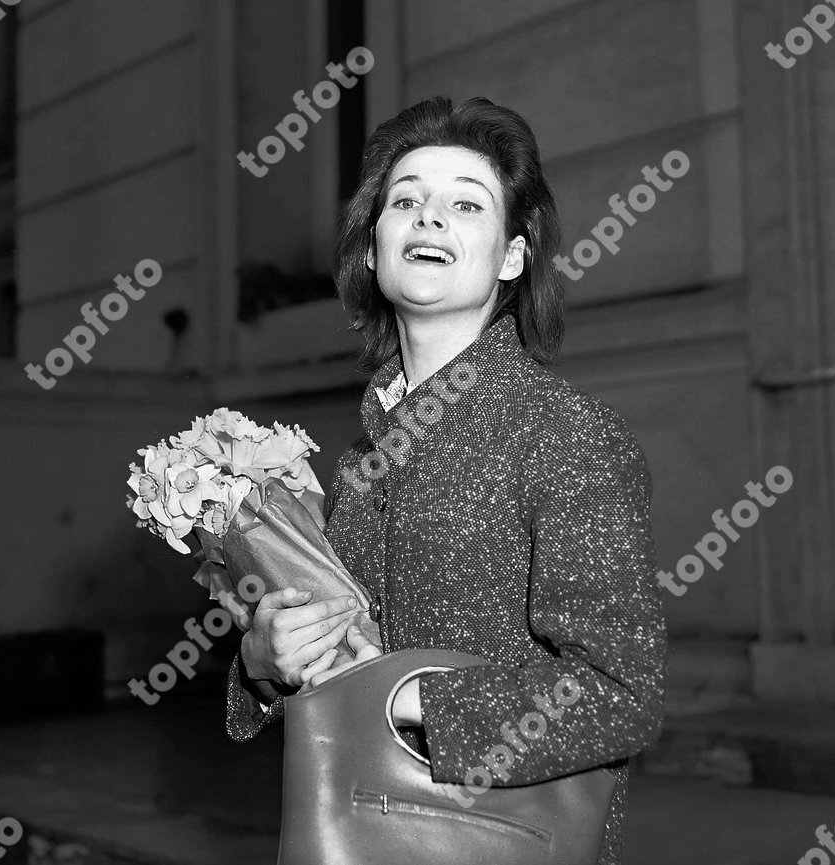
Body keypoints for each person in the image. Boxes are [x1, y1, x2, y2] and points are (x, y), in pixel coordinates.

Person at [226, 95, 667, 864]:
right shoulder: (360, 464)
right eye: (406, 201)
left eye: (466, 203)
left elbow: (620, 693)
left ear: (511, 256)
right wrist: (264, 664)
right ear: (373, 247)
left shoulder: (563, 433)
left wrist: (403, 699)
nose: (429, 217)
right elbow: (326, 658)